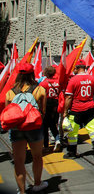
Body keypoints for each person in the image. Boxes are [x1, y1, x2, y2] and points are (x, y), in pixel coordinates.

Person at [5, 63, 48, 193]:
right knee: (37, 156)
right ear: (32, 74)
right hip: (34, 127)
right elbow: (43, 110)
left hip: (17, 129)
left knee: (18, 161)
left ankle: (22, 191)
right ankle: (37, 184)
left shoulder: (10, 92)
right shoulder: (39, 90)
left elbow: (8, 112)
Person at [64, 59, 94, 158]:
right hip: (90, 108)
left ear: (77, 68)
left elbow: (69, 97)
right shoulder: (92, 79)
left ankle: (72, 152)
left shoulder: (73, 80)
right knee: (93, 130)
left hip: (76, 109)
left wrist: (65, 111)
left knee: (73, 132)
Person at [39, 66, 62, 151]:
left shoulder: (43, 83)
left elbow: (40, 96)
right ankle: (57, 139)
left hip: (47, 104)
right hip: (56, 104)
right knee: (53, 124)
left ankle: (46, 145)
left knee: (45, 126)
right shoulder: (58, 82)